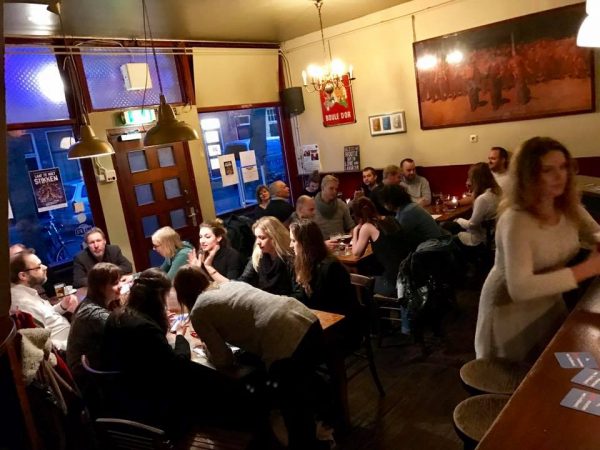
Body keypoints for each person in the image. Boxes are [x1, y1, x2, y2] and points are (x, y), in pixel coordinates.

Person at [174, 265, 328, 450]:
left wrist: (205, 348)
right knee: (303, 392)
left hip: (283, 338)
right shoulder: (227, 285)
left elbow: (223, 359)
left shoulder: (199, 309)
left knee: (293, 409)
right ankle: (328, 430)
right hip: (304, 317)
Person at [475, 137, 600, 362]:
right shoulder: (515, 219)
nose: (559, 176)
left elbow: (595, 232)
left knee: (556, 370)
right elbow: (520, 288)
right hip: (509, 311)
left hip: (550, 301)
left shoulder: (567, 206)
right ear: (528, 175)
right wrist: (587, 269)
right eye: (547, 170)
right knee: (521, 383)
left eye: (563, 167)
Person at [102, 269, 212, 433]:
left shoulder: (117, 316)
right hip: (150, 396)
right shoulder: (145, 327)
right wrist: (180, 336)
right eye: (165, 297)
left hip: (123, 388)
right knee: (202, 375)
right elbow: (177, 364)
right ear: (157, 298)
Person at [289, 219, 361, 351]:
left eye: (293, 241)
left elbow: (325, 303)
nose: (290, 245)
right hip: (322, 322)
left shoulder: (330, 266)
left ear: (305, 243)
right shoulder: (303, 264)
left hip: (342, 329)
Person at [66, 263, 122, 407]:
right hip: (95, 385)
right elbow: (129, 332)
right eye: (115, 283)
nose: (120, 286)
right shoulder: (94, 314)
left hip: (97, 373)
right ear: (101, 287)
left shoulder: (89, 303)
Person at [9, 249, 78, 351]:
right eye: (39, 266)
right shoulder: (23, 303)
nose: (45, 267)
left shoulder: (28, 292)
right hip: (69, 349)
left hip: (72, 336)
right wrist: (75, 344)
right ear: (23, 276)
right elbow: (44, 344)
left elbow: (46, 316)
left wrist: (62, 306)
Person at [350, 197, 410, 296]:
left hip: (394, 282)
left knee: (359, 279)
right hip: (408, 275)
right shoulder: (390, 219)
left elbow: (356, 253)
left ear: (357, 216)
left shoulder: (367, 227)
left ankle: (366, 308)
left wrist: (356, 231)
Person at [237, 216, 295, 295]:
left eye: (262, 238)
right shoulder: (258, 255)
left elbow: (298, 293)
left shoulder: (290, 258)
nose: (257, 242)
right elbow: (244, 279)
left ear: (274, 238)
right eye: (256, 237)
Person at [380, 184, 443, 251]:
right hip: (435, 246)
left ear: (390, 201)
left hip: (433, 250)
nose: (384, 205)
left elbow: (397, 236)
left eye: (384, 202)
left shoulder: (407, 212)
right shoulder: (410, 207)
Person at [452, 162, 501, 248]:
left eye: (470, 177)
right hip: (494, 236)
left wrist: (457, 220)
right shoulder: (496, 192)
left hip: (481, 240)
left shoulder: (483, 199)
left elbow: (472, 225)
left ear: (476, 179)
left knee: (447, 233)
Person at [313, 175, 355, 239]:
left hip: (340, 244)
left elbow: (351, 227)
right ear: (323, 188)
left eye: (336, 189)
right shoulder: (312, 206)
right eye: (331, 188)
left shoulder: (341, 204)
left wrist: (351, 238)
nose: (334, 191)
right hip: (320, 245)